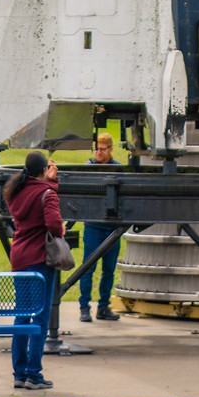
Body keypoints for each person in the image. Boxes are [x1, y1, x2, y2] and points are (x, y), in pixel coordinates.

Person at [4, 150, 63, 391]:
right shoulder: (47, 193)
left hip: (19, 256)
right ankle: (34, 373)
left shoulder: (15, 191)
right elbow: (54, 225)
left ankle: (19, 372)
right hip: (39, 258)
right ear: (43, 170)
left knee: (22, 315)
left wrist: (47, 183)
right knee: (40, 317)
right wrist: (52, 185)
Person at [78, 131, 122, 323]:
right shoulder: (89, 168)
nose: (99, 152)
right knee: (88, 268)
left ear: (111, 149)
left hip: (112, 227)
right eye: (97, 148)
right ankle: (84, 307)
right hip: (94, 226)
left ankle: (103, 306)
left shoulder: (118, 169)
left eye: (103, 149)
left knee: (109, 270)